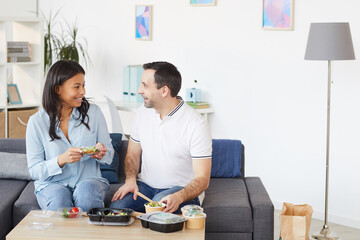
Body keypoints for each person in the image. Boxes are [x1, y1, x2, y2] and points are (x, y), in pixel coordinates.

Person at [110, 61, 212, 213]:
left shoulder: (196, 124)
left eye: (145, 85)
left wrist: (179, 196)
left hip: (180, 190)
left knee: (157, 210)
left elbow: (202, 179)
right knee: (117, 209)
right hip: (145, 186)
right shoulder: (141, 113)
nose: (139, 90)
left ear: (164, 91)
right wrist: (131, 180)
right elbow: (132, 155)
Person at [26, 60, 114, 211]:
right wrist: (60, 160)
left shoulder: (94, 113)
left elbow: (110, 155)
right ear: (58, 89)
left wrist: (102, 153)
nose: (83, 92)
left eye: (83, 85)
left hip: (90, 181)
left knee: (86, 193)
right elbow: (34, 170)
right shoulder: (36, 122)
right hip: (52, 184)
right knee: (58, 199)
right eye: (77, 87)